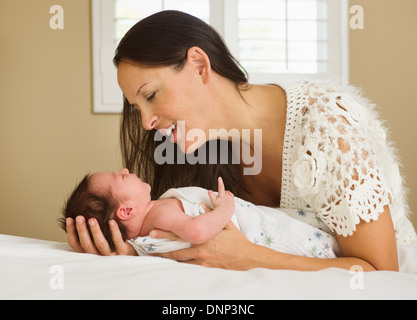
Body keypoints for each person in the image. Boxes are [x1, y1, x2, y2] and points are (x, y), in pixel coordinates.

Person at [66, 10, 416, 271]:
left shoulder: (331, 125)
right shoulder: (194, 154)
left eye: (152, 95)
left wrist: (249, 258)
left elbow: (379, 276)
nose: (145, 123)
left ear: (199, 66)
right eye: (136, 108)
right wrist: (132, 252)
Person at [61, 169, 341, 259]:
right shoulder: (161, 213)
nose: (124, 170)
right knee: (307, 234)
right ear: (127, 210)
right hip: (261, 231)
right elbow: (196, 232)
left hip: (260, 220)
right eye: (118, 177)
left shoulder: (146, 234)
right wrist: (226, 209)